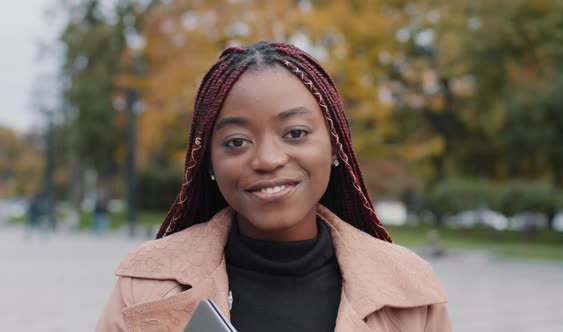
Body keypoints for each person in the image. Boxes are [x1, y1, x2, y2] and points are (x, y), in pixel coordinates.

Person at [97, 42, 451, 331]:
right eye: (236, 141)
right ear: (208, 162)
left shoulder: (409, 288)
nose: (267, 159)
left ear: (335, 147)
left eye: (295, 133)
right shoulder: (144, 287)